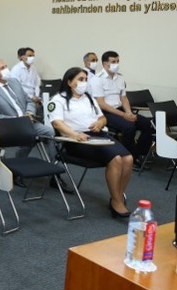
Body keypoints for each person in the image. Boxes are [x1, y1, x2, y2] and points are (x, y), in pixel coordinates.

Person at [49, 67, 133, 218]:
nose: (84, 83)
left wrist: (100, 123)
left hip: (97, 134)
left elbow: (102, 118)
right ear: (69, 82)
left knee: (128, 158)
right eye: (80, 79)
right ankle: (116, 201)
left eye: (86, 79)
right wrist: (75, 134)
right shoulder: (58, 99)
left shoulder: (89, 98)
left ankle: (118, 196)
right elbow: (57, 124)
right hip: (75, 140)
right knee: (116, 159)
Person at [0, 58, 68, 191]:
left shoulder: (14, 82)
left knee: (50, 132)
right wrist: (17, 118)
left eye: (6, 66)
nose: (6, 69)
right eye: (2, 68)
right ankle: (15, 170)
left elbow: (29, 101)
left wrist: (29, 112)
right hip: (8, 126)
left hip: (27, 122)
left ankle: (55, 174)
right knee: (30, 136)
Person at [91, 50, 153, 168]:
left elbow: (123, 98)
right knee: (129, 127)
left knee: (147, 124)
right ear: (104, 64)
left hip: (120, 109)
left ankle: (139, 153)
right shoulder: (97, 79)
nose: (116, 64)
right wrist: (123, 115)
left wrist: (129, 112)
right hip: (105, 112)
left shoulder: (119, 78)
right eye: (113, 62)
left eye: (117, 61)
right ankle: (131, 158)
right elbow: (101, 104)